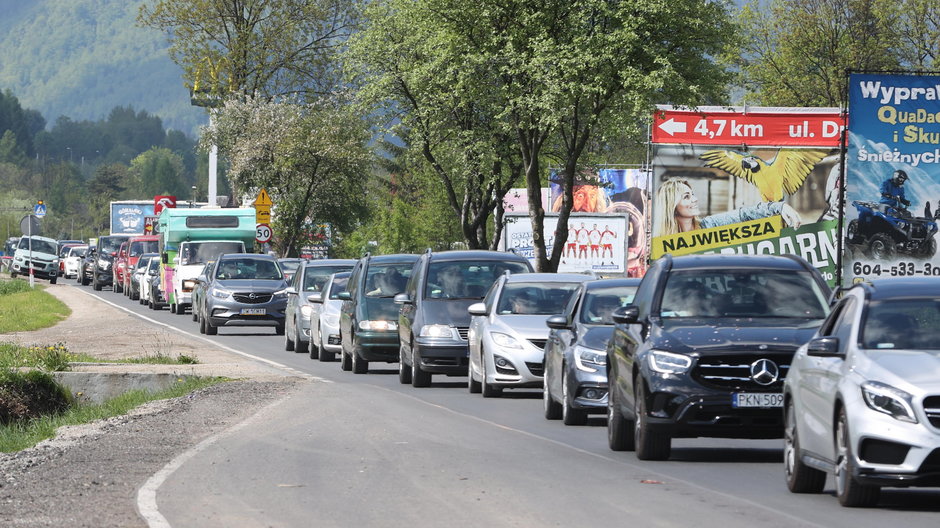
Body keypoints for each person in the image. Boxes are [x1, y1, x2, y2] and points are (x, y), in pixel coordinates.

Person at [654, 178, 803, 237]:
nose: (695, 199)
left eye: (692, 194)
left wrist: (779, 207)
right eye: (686, 197)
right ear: (672, 207)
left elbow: (744, 215)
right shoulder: (663, 246)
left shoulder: (710, 225)